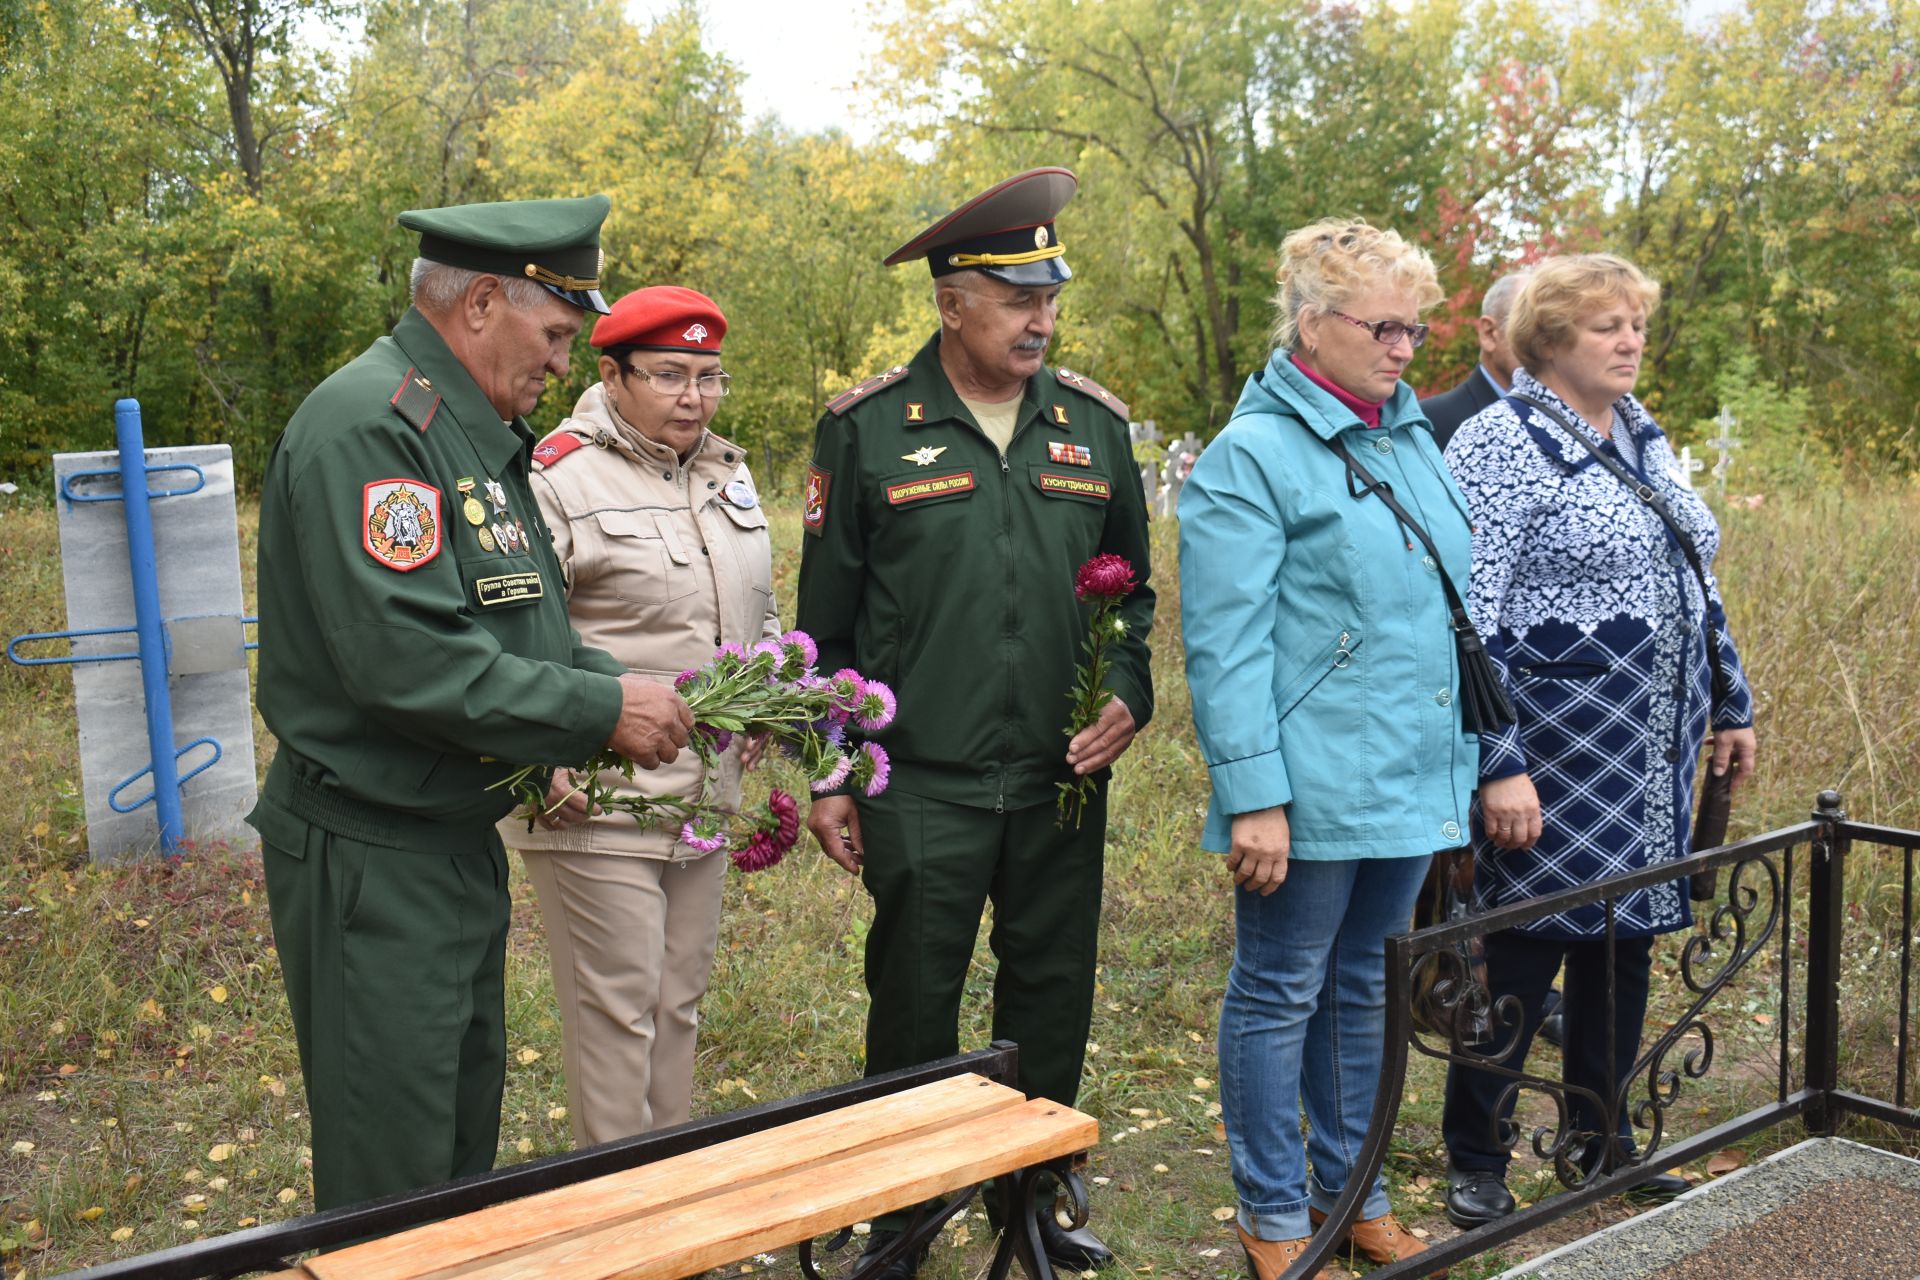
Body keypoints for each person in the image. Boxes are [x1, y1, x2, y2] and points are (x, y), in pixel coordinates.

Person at [248, 196, 695, 1210]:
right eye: (555, 335)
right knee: (392, 1173)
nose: (561, 364)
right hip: (375, 851)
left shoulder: (469, 429)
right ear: (484, 301)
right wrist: (594, 712)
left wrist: (602, 688)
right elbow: (403, 659)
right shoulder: (374, 426)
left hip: (445, 837)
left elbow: (514, 620)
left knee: (453, 1151)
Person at [794, 167, 1155, 1278]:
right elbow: (827, 630)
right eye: (1016, 298)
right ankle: (901, 1210)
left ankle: (1030, 1196)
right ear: (952, 302)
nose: (1041, 318)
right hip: (923, 778)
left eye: (1049, 296)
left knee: (1050, 990)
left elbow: (1132, 593)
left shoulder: (1093, 426)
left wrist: (1129, 693)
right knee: (914, 997)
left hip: (1059, 779)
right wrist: (832, 770)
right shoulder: (865, 430)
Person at [1439, 254, 1759, 1228]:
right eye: (1606, 327)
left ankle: (1598, 1139)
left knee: (1622, 946)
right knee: (1522, 950)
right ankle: (1477, 1154)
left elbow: (1693, 577)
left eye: (1635, 325)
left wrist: (1734, 702)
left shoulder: (1643, 433)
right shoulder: (1502, 443)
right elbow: (1467, 613)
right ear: (1548, 342)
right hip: (1555, 752)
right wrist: (1499, 760)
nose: (1630, 342)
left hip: (1650, 751)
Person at [1179, 217, 1465, 1280]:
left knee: (1363, 987)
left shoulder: (1410, 433)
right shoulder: (1250, 456)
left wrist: (1474, 761)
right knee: (1280, 986)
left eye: (1415, 327)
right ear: (1312, 323)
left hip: (1405, 767)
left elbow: (1447, 612)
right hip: (1306, 783)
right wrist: (1255, 793)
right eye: (1384, 326)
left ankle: (1356, 1194)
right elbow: (1226, 641)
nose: (1404, 348)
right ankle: (1272, 1209)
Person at [502, 286, 779, 1147]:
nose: (693, 396)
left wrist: (769, 685)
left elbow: (756, 606)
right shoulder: (553, 476)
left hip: (702, 794)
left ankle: (672, 1200)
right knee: (618, 1010)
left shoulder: (724, 472)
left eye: (709, 376)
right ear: (611, 375)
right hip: (594, 793)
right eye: (668, 375)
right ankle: (615, 1219)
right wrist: (538, 758)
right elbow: (512, 630)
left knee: (677, 1000)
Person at [1420, 269, 1531, 449]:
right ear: (1489, 333)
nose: (1547, 342)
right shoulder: (1430, 423)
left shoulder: (1571, 421)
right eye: (1530, 326)